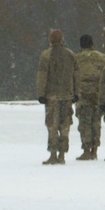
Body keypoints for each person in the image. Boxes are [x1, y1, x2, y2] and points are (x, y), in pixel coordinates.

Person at [36, 29, 79, 165]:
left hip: (52, 96)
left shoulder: (46, 56)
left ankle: (53, 153)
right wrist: (76, 93)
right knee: (65, 125)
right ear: (62, 40)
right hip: (67, 95)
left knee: (52, 125)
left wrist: (41, 93)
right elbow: (76, 76)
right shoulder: (71, 55)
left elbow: (42, 75)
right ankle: (62, 154)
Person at [74, 34, 105, 160]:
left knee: (84, 122)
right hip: (98, 93)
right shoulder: (102, 57)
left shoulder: (77, 58)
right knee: (96, 121)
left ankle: (86, 149)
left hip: (83, 93)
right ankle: (95, 149)